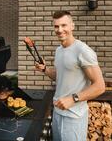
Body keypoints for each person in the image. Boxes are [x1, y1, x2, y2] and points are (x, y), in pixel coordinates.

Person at [35, 10, 105, 141]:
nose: (60, 30)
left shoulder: (82, 50)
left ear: (72, 26)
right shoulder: (59, 50)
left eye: (64, 25)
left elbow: (100, 86)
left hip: (74, 117)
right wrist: (45, 70)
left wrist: (73, 99)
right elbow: (60, 76)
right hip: (57, 113)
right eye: (56, 26)